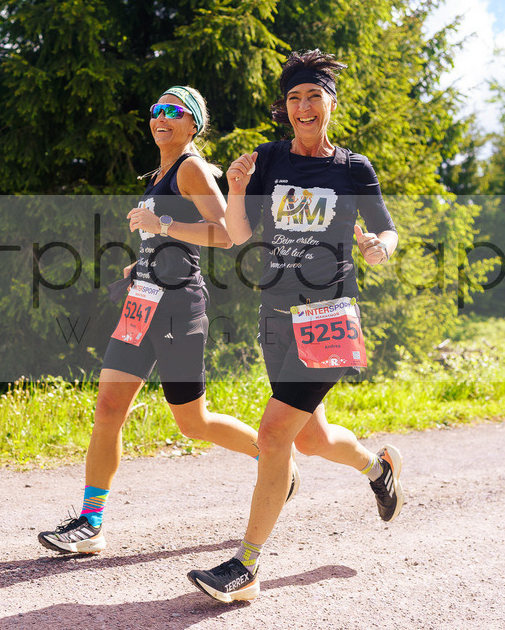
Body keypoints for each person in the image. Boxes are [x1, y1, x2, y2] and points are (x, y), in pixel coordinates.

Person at [39, 86, 298, 554]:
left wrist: (163, 228)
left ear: (193, 124)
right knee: (108, 409)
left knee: (192, 422)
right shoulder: (161, 172)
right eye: (156, 110)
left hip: (179, 307)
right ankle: (90, 523)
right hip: (143, 300)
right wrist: (140, 264)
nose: (161, 117)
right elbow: (165, 242)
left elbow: (226, 235)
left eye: (174, 112)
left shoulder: (192, 167)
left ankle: (274, 459)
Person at [186, 51, 403, 602]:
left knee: (274, 434)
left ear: (332, 102)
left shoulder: (354, 169)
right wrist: (236, 188)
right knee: (313, 438)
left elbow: (385, 229)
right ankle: (377, 467)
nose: (304, 107)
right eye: (294, 99)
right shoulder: (267, 160)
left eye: (314, 96)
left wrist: (380, 248)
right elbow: (235, 234)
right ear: (286, 110)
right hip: (275, 314)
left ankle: (246, 567)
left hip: (330, 316)